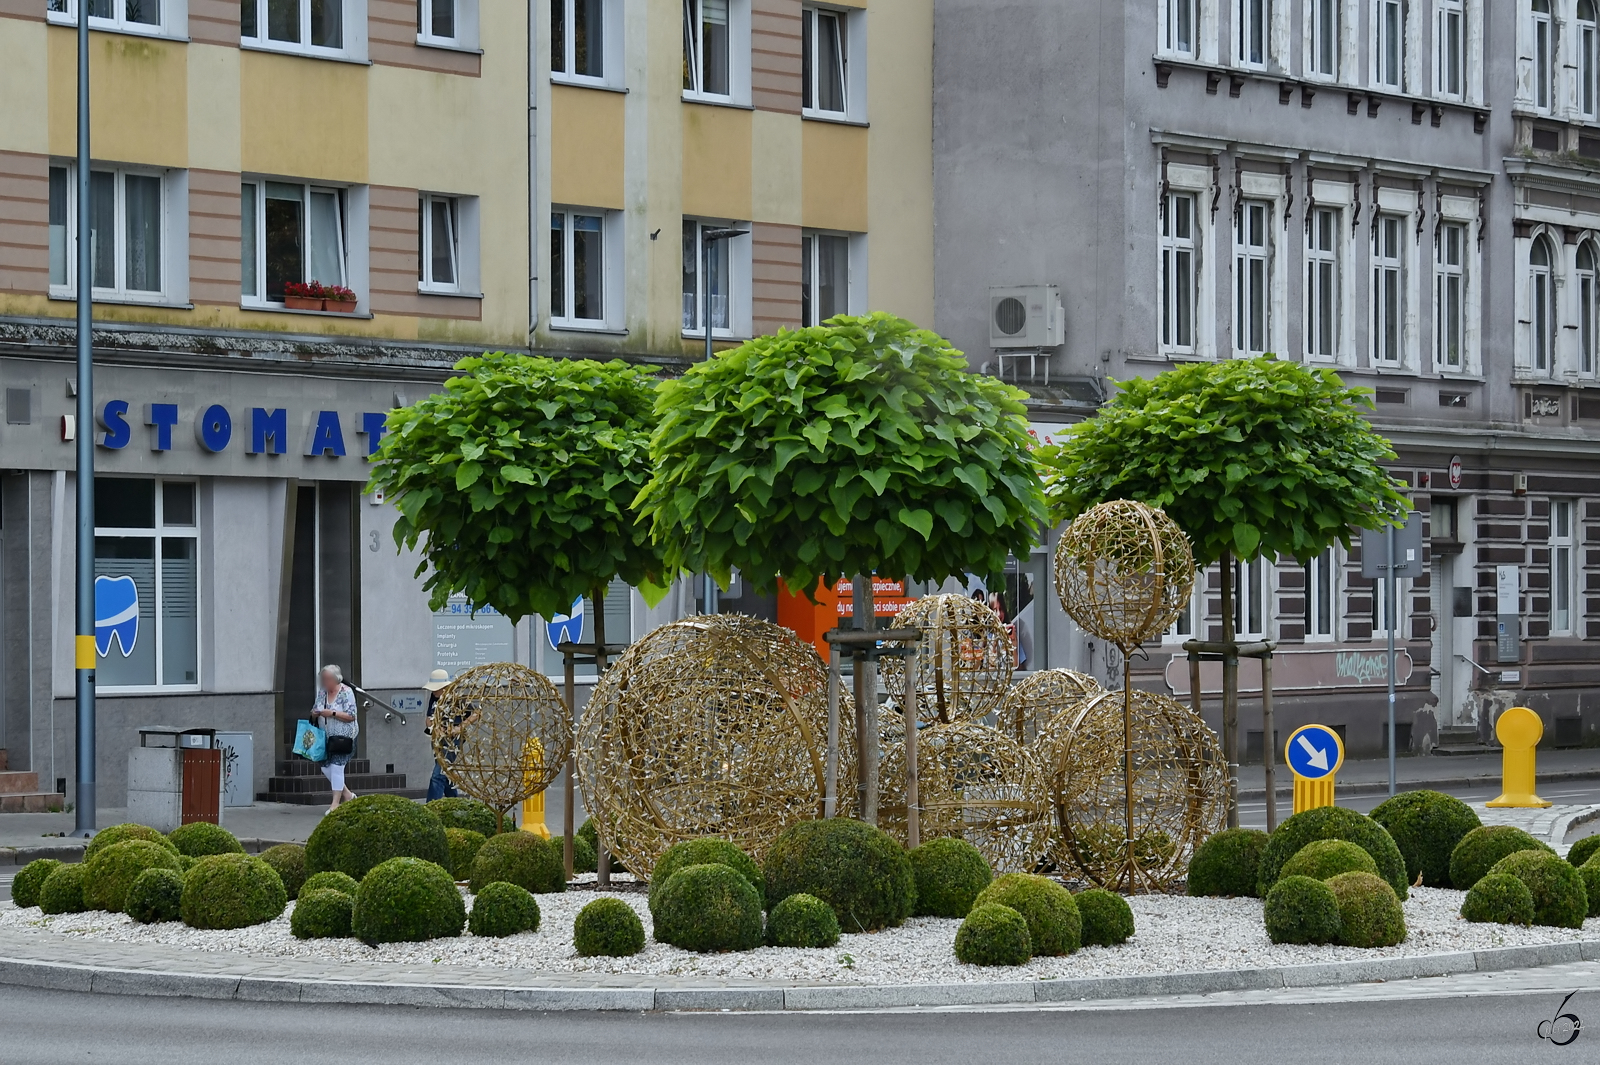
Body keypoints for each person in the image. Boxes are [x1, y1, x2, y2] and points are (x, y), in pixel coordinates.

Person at [311, 664, 359, 813]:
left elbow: (351, 716)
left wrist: (332, 713)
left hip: (343, 737)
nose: (324, 682)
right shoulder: (322, 692)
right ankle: (348, 795)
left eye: (327, 679)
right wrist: (315, 713)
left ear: (336, 679)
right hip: (325, 737)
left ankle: (335, 804)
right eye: (323, 679)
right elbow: (314, 709)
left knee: (337, 767)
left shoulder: (346, 692)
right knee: (326, 767)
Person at [422, 668, 459, 801]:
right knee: (446, 773)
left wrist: (458, 728)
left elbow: (475, 713)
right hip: (437, 739)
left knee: (438, 775)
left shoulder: (456, 698)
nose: (433, 691)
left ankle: (431, 806)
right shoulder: (434, 697)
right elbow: (428, 717)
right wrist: (433, 727)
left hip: (451, 742)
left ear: (444, 688)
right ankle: (454, 802)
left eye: (436, 689)